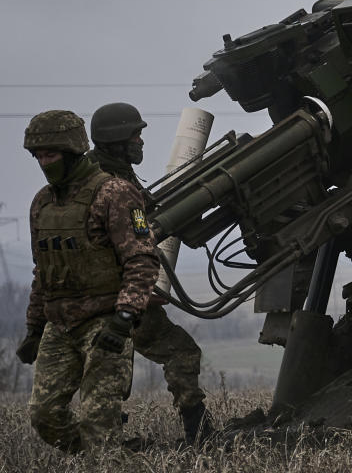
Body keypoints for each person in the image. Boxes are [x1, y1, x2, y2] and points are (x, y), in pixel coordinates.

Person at [16, 110, 160, 452]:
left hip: (104, 323)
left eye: (50, 154)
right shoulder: (42, 203)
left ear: (70, 151)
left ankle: (104, 455)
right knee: (44, 415)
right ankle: (107, 454)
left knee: (99, 419)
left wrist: (124, 318)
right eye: (38, 156)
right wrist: (34, 329)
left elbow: (142, 259)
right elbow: (44, 271)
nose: (43, 162)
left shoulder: (116, 194)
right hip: (59, 325)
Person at [87, 102, 211, 443]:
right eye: (135, 134)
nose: (141, 141)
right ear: (116, 139)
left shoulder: (107, 176)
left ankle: (193, 435)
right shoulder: (109, 185)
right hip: (115, 297)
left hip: (116, 293)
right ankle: (195, 434)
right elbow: (129, 238)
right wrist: (138, 290)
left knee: (114, 369)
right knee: (122, 366)